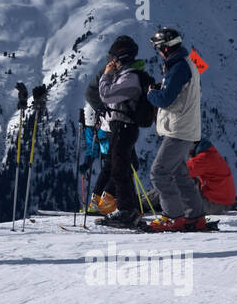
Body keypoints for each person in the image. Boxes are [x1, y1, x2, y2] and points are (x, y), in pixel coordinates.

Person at [144, 26, 207, 231]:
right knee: (179, 174)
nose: (158, 52)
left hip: (179, 129)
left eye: (159, 48)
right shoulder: (186, 63)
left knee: (159, 172)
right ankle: (195, 216)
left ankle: (172, 216)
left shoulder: (179, 67)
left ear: (166, 48)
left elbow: (165, 99)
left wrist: (151, 93)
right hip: (186, 127)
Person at [96, 35, 153, 226]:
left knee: (120, 169)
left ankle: (126, 211)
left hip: (123, 127)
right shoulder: (130, 75)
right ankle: (128, 208)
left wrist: (106, 74)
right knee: (121, 168)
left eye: (113, 58)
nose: (111, 62)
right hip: (122, 127)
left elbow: (106, 95)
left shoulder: (129, 77)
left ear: (121, 57)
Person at [144, 138, 236, 215]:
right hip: (221, 202)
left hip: (214, 205)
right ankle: (152, 201)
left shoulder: (203, 159)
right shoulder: (211, 154)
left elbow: (176, 173)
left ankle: (145, 203)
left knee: (169, 181)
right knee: (185, 182)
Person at [81, 69, 112, 213]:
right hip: (112, 149)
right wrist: (88, 160)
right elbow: (92, 146)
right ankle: (105, 201)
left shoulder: (101, 126)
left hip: (112, 143)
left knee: (111, 169)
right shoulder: (92, 127)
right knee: (113, 169)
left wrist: (90, 158)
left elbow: (95, 145)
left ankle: (100, 200)